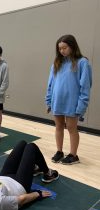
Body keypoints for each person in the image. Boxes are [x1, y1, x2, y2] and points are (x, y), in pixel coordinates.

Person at [45, 35, 92, 165]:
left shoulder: (82, 63)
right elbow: (50, 84)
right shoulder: (56, 64)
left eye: (64, 48)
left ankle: (73, 155)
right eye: (59, 48)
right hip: (57, 102)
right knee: (58, 127)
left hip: (72, 103)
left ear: (72, 46)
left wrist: (81, 106)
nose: (62, 51)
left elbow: (85, 87)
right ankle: (59, 151)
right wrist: (48, 101)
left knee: (72, 128)